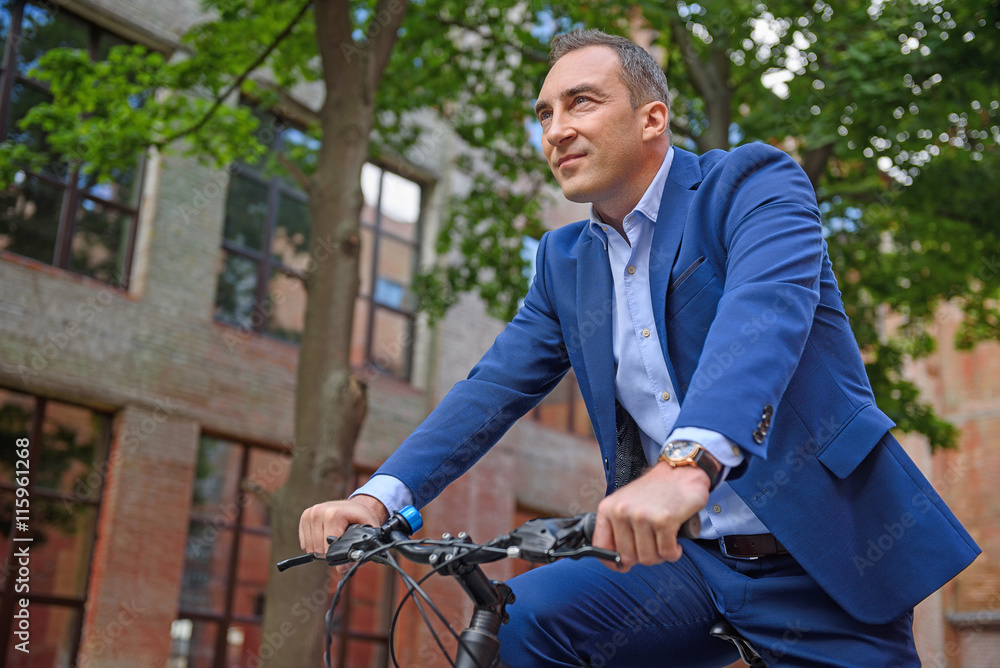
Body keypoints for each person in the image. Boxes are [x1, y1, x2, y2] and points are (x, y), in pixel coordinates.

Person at [300, 29, 979, 666]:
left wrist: (687, 462)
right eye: (544, 114)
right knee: (521, 620)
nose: (555, 130)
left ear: (652, 118)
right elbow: (492, 388)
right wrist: (379, 497)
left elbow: (763, 319)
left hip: (826, 557)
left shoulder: (751, 185)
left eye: (581, 102)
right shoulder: (564, 261)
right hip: (681, 563)